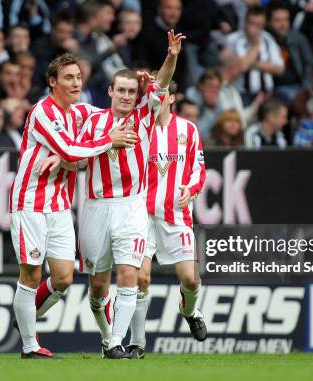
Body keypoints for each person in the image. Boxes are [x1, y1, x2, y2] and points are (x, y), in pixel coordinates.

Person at [8, 53, 138, 359]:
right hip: (31, 202)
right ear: (53, 82)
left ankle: (25, 313)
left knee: (64, 277)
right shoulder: (43, 111)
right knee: (30, 273)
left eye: (78, 77)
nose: (76, 82)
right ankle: (30, 345)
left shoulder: (80, 113)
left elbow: (101, 125)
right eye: (68, 77)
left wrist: (140, 87)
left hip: (60, 204)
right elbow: (71, 148)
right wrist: (107, 141)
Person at [70, 30, 183, 359]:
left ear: (138, 95)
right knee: (97, 286)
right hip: (95, 206)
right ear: (110, 91)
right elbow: (75, 154)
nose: (126, 96)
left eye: (132, 91)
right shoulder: (92, 121)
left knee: (130, 272)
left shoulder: (145, 116)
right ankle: (108, 338)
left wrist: (171, 55)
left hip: (132, 206)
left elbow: (161, 83)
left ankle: (118, 342)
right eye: (121, 90)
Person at [127, 80, 206, 359]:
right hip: (142, 215)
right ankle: (137, 344)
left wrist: (190, 188)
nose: (156, 100)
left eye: (162, 96)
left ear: (172, 99)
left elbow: (198, 168)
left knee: (191, 280)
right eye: (152, 96)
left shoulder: (188, 130)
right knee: (141, 279)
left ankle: (190, 311)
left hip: (176, 214)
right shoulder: (139, 128)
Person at [225, 6, 283, 104]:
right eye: (252, 23)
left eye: (259, 25)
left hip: (266, 92)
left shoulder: (268, 39)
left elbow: (279, 68)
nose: (255, 28)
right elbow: (241, 67)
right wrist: (256, 45)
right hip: (241, 94)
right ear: (245, 22)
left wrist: (252, 63)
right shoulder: (233, 40)